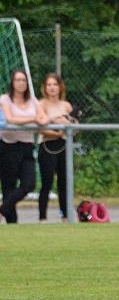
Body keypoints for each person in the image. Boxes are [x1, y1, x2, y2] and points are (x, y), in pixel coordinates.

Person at [0, 69, 48, 224]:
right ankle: (12, 223)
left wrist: (37, 119)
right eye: (18, 80)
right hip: (8, 146)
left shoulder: (33, 100)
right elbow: (10, 119)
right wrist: (33, 119)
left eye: (24, 80)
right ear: (12, 82)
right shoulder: (5, 100)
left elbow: (43, 118)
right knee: (9, 185)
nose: (21, 83)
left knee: (29, 184)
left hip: (26, 146)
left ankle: (2, 209)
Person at [38, 73, 74, 223]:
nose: (52, 88)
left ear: (60, 87)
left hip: (64, 146)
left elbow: (74, 127)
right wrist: (58, 132)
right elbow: (40, 128)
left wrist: (69, 124)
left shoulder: (66, 105)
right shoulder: (41, 104)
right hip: (47, 146)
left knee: (64, 182)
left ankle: (66, 216)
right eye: (49, 85)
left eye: (55, 84)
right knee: (47, 183)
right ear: (45, 88)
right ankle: (43, 217)